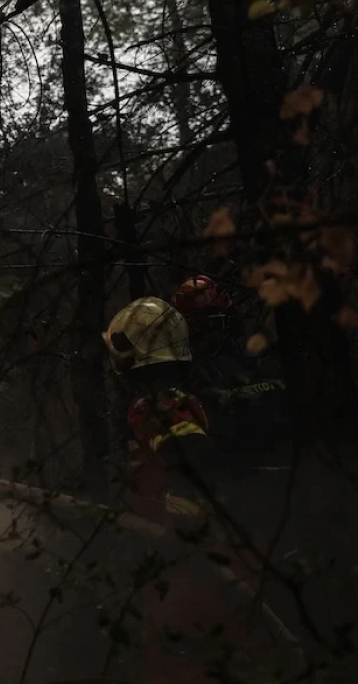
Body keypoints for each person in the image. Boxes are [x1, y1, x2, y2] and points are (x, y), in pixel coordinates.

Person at [103, 297, 279, 683]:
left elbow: (196, 462)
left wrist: (181, 526)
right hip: (218, 553)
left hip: (192, 563)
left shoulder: (157, 405)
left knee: (181, 657)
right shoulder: (190, 395)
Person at [171, 275, 291, 469]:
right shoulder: (188, 368)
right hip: (233, 454)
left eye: (220, 317)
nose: (216, 327)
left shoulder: (238, 352)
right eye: (208, 320)